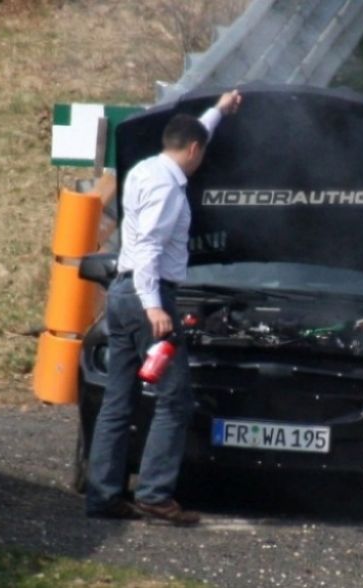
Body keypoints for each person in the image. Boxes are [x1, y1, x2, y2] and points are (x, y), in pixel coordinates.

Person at [85, 90, 242, 525]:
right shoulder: (169, 191)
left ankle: (103, 496)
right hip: (145, 297)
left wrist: (219, 112)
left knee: (118, 400)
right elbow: (152, 248)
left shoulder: (145, 169)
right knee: (175, 399)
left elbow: (196, 133)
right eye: (200, 154)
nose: (200, 161)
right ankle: (154, 494)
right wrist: (155, 307)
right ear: (193, 151)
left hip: (120, 294)